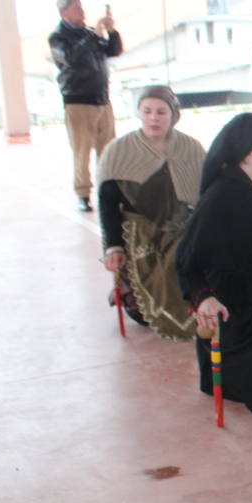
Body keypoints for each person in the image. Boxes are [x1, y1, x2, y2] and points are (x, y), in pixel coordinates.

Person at [175, 113, 252, 415]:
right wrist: (205, 298)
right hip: (238, 324)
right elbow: (187, 263)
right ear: (251, 151)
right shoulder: (220, 200)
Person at [97, 86, 205, 338]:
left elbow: (205, 198)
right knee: (142, 315)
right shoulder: (119, 150)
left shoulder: (191, 148)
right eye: (147, 111)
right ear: (138, 113)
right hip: (138, 230)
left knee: (184, 262)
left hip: (181, 226)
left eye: (160, 112)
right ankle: (127, 291)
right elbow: (107, 203)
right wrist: (113, 246)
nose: (153, 118)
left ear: (173, 114)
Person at [49, 0, 122, 212]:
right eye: (77, 8)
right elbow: (71, 58)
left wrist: (111, 31)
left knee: (108, 149)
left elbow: (113, 50)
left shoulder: (89, 33)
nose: (82, 12)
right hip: (78, 102)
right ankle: (83, 193)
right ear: (64, 12)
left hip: (102, 99)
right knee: (82, 151)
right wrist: (95, 35)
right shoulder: (58, 37)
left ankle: (107, 191)